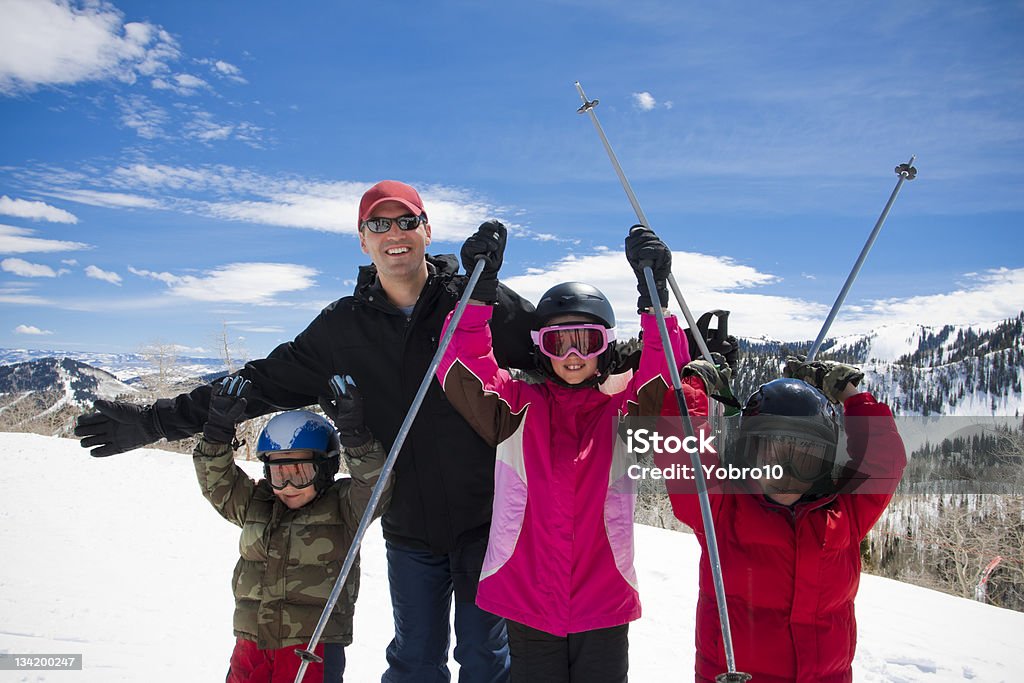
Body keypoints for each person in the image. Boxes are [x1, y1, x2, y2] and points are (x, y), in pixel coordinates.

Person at [74, 180, 539, 683]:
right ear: (363, 240)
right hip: (409, 528)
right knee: (415, 661)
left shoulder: (476, 302)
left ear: (427, 230)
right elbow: (258, 383)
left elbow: (568, 356)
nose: (393, 233)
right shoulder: (343, 328)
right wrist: (154, 421)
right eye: (377, 225)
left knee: (486, 659)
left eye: (405, 221)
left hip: (491, 522)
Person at [435, 224, 688, 682]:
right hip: (528, 597)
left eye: (587, 341)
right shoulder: (515, 409)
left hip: (603, 599)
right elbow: (460, 366)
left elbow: (665, 374)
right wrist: (478, 296)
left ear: (605, 347)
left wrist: (654, 304)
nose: (573, 355)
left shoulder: (620, 415)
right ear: (541, 351)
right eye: (557, 342)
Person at [661, 356, 907, 683]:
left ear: (823, 464)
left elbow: (884, 459)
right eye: (771, 456)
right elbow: (682, 447)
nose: (786, 474)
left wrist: (848, 394)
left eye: (805, 457)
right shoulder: (722, 510)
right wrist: (695, 386)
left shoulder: (843, 514)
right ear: (749, 454)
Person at [194, 374, 391, 683]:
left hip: (312, 646)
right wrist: (217, 433)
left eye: (299, 473)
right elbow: (217, 483)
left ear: (325, 469)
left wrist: (355, 437)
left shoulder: (345, 509)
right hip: (252, 641)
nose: (287, 486)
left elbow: (374, 484)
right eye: (278, 474)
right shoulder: (255, 503)